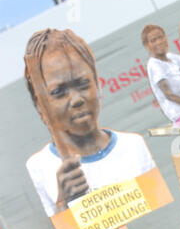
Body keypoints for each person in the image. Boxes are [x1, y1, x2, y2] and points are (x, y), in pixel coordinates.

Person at [24, 29, 156, 217]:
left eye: (82, 83)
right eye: (58, 92)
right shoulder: (39, 167)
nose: (76, 99)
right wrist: (63, 204)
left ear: (98, 85)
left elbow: (157, 206)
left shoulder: (134, 146)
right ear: (40, 105)